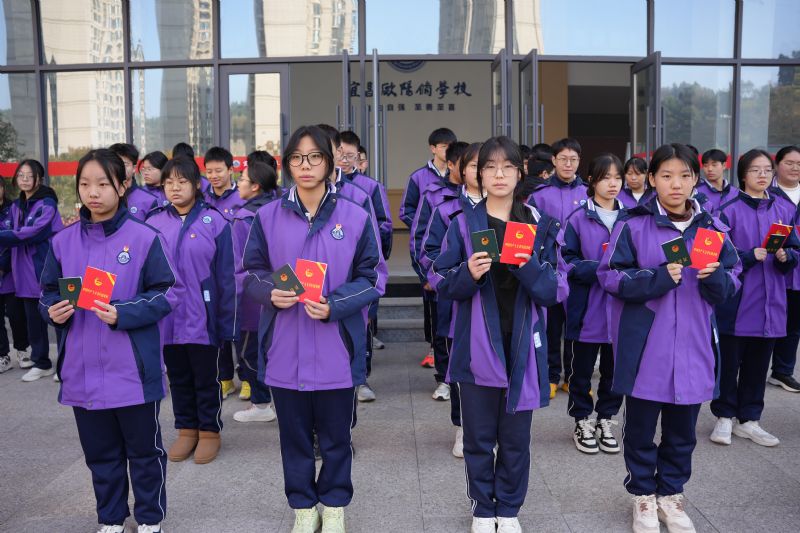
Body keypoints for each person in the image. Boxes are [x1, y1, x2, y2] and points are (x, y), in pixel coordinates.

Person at [242, 125, 386, 533]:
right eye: (296, 158)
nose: (305, 166)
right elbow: (250, 272)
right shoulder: (267, 216)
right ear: (287, 164)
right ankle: (303, 506)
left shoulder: (355, 215)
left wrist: (335, 304)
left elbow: (373, 276)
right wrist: (270, 292)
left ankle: (334, 504)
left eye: (314, 157)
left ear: (329, 162)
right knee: (294, 438)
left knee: (337, 437)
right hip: (284, 347)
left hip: (336, 347)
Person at [597, 143, 741, 533]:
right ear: (652, 179)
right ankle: (643, 495)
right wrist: (657, 278)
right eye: (666, 176)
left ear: (696, 179)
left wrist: (717, 279)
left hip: (694, 346)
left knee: (682, 432)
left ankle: (671, 494)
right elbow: (610, 276)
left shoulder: (713, 228)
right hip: (646, 347)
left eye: (684, 176)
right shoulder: (632, 224)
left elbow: (733, 281)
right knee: (640, 430)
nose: (675, 184)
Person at [432, 136, 568, 533]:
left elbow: (557, 289)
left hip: (523, 344)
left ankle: (508, 509)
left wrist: (529, 268)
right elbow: (441, 281)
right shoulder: (463, 223)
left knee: (515, 438)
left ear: (520, 172)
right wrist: (468, 274)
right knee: (477, 437)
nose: (498, 174)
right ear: (476, 174)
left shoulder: (539, 225)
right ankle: (482, 508)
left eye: (507, 166)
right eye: (489, 167)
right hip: (477, 344)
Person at [40, 148, 176, 533]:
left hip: (132, 371)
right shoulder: (63, 242)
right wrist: (52, 311)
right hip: (82, 371)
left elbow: (168, 293)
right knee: (101, 455)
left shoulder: (145, 238)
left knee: (145, 453)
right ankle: (111, 518)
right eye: (85, 184)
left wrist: (123, 312)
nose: (93, 192)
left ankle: (150, 518)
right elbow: (47, 292)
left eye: (102, 184)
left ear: (123, 185)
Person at [146, 156, 237, 465]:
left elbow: (227, 277)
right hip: (167, 317)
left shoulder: (215, 221)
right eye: (169, 182)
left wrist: (227, 323)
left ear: (197, 185)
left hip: (203, 316)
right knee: (178, 377)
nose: (175, 188)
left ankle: (209, 431)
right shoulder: (154, 222)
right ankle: (186, 429)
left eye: (182, 181)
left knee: (206, 378)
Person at [710, 148, 799, 448]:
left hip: (771, 302)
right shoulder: (727, 210)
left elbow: (795, 248)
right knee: (729, 363)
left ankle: (749, 420)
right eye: (755, 170)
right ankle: (724, 416)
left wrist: (787, 256)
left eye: (767, 170)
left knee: (759, 365)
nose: (762, 175)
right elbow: (714, 255)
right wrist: (748, 256)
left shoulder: (783, 209)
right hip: (737, 301)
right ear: (743, 175)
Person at [420, 141, 482, 457]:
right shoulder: (446, 208)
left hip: (499, 305)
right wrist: (455, 277)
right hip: (458, 303)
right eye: (474, 165)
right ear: (459, 169)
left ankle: (491, 428)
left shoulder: (511, 211)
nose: (482, 172)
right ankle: (463, 426)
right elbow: (429, 253)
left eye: (488, 166)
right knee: (460, 368)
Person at [562, 154, 626, 455]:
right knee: (581, 371)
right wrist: (601, 268)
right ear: (592, 180)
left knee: (615, 371)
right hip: (586, 309)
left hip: (622, 310)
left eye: (617, 177)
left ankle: (605, 419)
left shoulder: (632, 217)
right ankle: (582, 420)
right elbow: (566, 261)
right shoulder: (577, 218)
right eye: (606, 177)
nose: (613, 184)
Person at [529, 138, 588, 398]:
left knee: (576, 325)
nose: (568, 164)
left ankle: (572, 378)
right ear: (553, 160)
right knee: (551, 326)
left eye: (573, 159)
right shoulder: (539, 195)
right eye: (563, 159)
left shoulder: (587, 193)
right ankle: (551, 375)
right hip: (550, 269)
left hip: (578, 269)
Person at [413, 141, 468, 401]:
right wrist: (427, 274)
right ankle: (444, 378)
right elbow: (421, 238)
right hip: (444, 277)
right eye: (467, 165)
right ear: (452, 165)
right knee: (443, 328)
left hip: (474, 280)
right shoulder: (435, 195)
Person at [0, 159, 64, 381]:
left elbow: (32, 232)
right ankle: (41, 362)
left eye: (30, 175)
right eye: (21, 175)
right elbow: (8, 230)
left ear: (40, 179)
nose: (25, 179)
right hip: (23, 271)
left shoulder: (47, 203)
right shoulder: (16, 206)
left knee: (57, 316)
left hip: (44, 266)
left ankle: (65, 365)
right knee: (33, 320)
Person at [401, 128, 458, 369]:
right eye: (443, 146)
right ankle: (434, 348)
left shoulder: (462, 178)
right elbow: (406, 210)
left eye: (450, 146)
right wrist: (423, 224)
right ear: (433, 148)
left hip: (454, 253)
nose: (447, 150)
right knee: (432, 302)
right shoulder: (418, 177)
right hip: (429, 247)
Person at [231, 161, 280, 422]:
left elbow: (238, 265)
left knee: (250, 352)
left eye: (242, 179)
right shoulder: (281, 208)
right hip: (282, 291)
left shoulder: (244, 217)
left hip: (252, 298)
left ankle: (261, 404)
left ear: (255, 186)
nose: (238, 183)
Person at [339, 131, 393, 352]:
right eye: (341, 154)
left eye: (350, 155)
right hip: (339, 259)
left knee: (365, 310)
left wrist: (379, 254)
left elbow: (384, 223)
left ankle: (365, 356)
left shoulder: (370, 186)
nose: (344, 160)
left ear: (358, 156)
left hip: (363, 257)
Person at [202, 146, 243, 400]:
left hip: (238, 269)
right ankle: (225, 378)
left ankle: (247, 378)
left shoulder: (242, 197)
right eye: (209, 172)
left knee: (240, 323)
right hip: (210, 270)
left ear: (230, 170)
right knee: (216, 323)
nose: (214, 176)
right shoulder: (202, 199)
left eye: (218, 170)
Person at [768, 145, 800, 392]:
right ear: (777, 165)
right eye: (789, 162)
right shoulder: (767, 195)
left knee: (794, 325)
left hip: (797, 270)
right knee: (769, 320)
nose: (795, 167)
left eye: (799, 164)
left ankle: (782, 371)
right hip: (774, 270)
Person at [0, 176, 29, 373]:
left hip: (11, 273)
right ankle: (3, 355)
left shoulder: (14, 210)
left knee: (16, 315)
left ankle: (22, 350)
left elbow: (16, 240)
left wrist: (3, 265)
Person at [109, 143, 158, 221]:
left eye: (125, 164)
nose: (119, 167)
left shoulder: (150, 200)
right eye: (115, 163)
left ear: (134, 168)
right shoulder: (102, 197)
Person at [694, 149, 737, 213]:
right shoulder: (696, 192)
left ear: (724, 165)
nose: (710, 169)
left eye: (714, 165)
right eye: (705, 165)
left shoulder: (735, 193)